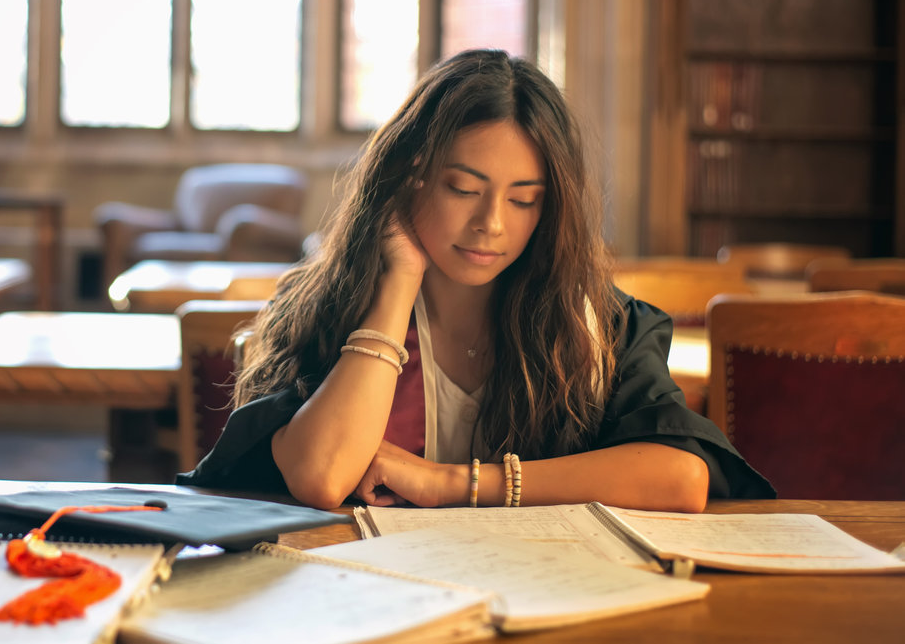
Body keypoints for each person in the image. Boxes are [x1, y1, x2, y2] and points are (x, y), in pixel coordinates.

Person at [178, 49, 775, 510]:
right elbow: (323, 476)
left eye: (524, 200)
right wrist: (398, 283)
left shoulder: (596, 324)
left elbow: (680, 476)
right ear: (410, 177)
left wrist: (452, 484)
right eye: (463, 189)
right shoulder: (330, 307)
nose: (490, 224)